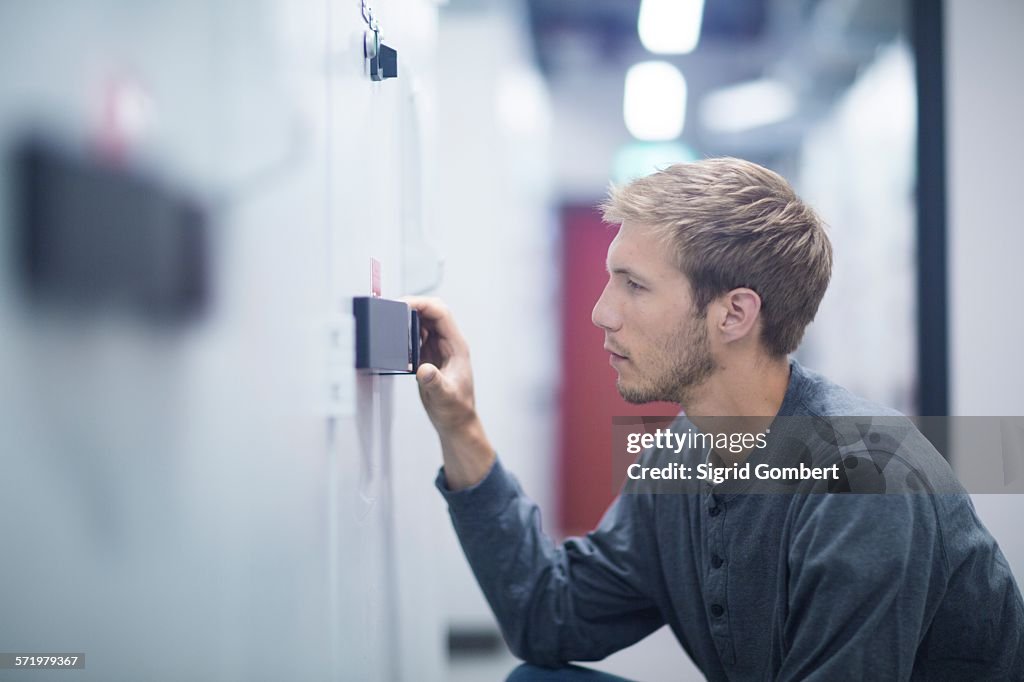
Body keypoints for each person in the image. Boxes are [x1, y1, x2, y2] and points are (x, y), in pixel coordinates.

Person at [407, 158, 1024, 681]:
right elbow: (549, 618)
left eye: (634, 286)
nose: (600, 313)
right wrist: (459, 426)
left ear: (733, 315)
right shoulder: (683, 455)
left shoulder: (864, 473)